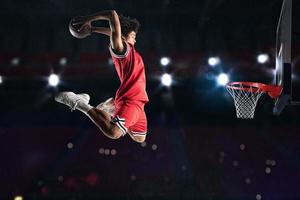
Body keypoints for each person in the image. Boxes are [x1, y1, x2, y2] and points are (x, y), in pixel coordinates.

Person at [55, 10, 149, 143]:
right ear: (122, 37)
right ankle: (79, 102)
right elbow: (112, 14)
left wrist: (93, 29)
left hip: (139, 103)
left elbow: (115, 32)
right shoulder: (123, 50)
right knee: (113, 132)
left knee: (139, 137)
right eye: (133, 35)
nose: (135, 38)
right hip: (130, 100)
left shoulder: (130, 50)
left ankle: (112, 109)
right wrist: (88, 19)